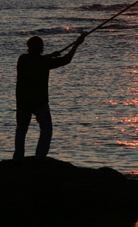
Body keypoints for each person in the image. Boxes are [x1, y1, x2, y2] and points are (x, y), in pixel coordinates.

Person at [13, 32, 86, 162]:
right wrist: (77, 44)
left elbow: (35, 60)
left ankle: (18, 157)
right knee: (46, 128)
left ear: (28, 47)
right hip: (39, 101)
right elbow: (67, 59)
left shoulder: (22, 59)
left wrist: (51, 56)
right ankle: (40, 157)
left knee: (21, 129)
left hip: (23, 100)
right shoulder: (44, 62)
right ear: (41, 48)